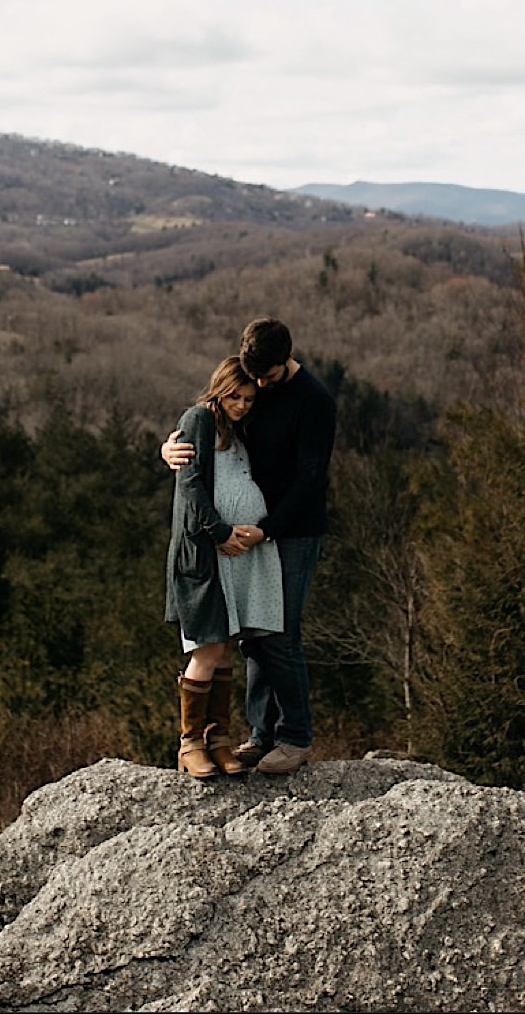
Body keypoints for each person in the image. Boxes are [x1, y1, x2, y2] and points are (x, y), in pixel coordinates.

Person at [163, 318, 336, 775]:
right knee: (253, 637)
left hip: (291, 531)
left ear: (286, 360)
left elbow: (310, 479)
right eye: (250, 378)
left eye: (266, 378)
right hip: (247, 538)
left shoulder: (314, 401)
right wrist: (168, 450)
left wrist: (267, 529)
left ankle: (294, 737)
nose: (257, 387)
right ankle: (260, 734)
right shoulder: (249, 385)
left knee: (279, 635)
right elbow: (205, 429)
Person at [164, 356, 284, 780]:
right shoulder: (199, 418)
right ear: (218, 390)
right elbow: (190, 482)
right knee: (207, 647)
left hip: (229, 558)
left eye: (249, 398)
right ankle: (190, 743)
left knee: (225, 647)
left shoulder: (236, 429)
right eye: (234, 396)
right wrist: (218, 531)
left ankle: (219, 739)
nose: (242, 404)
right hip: (203, 553)